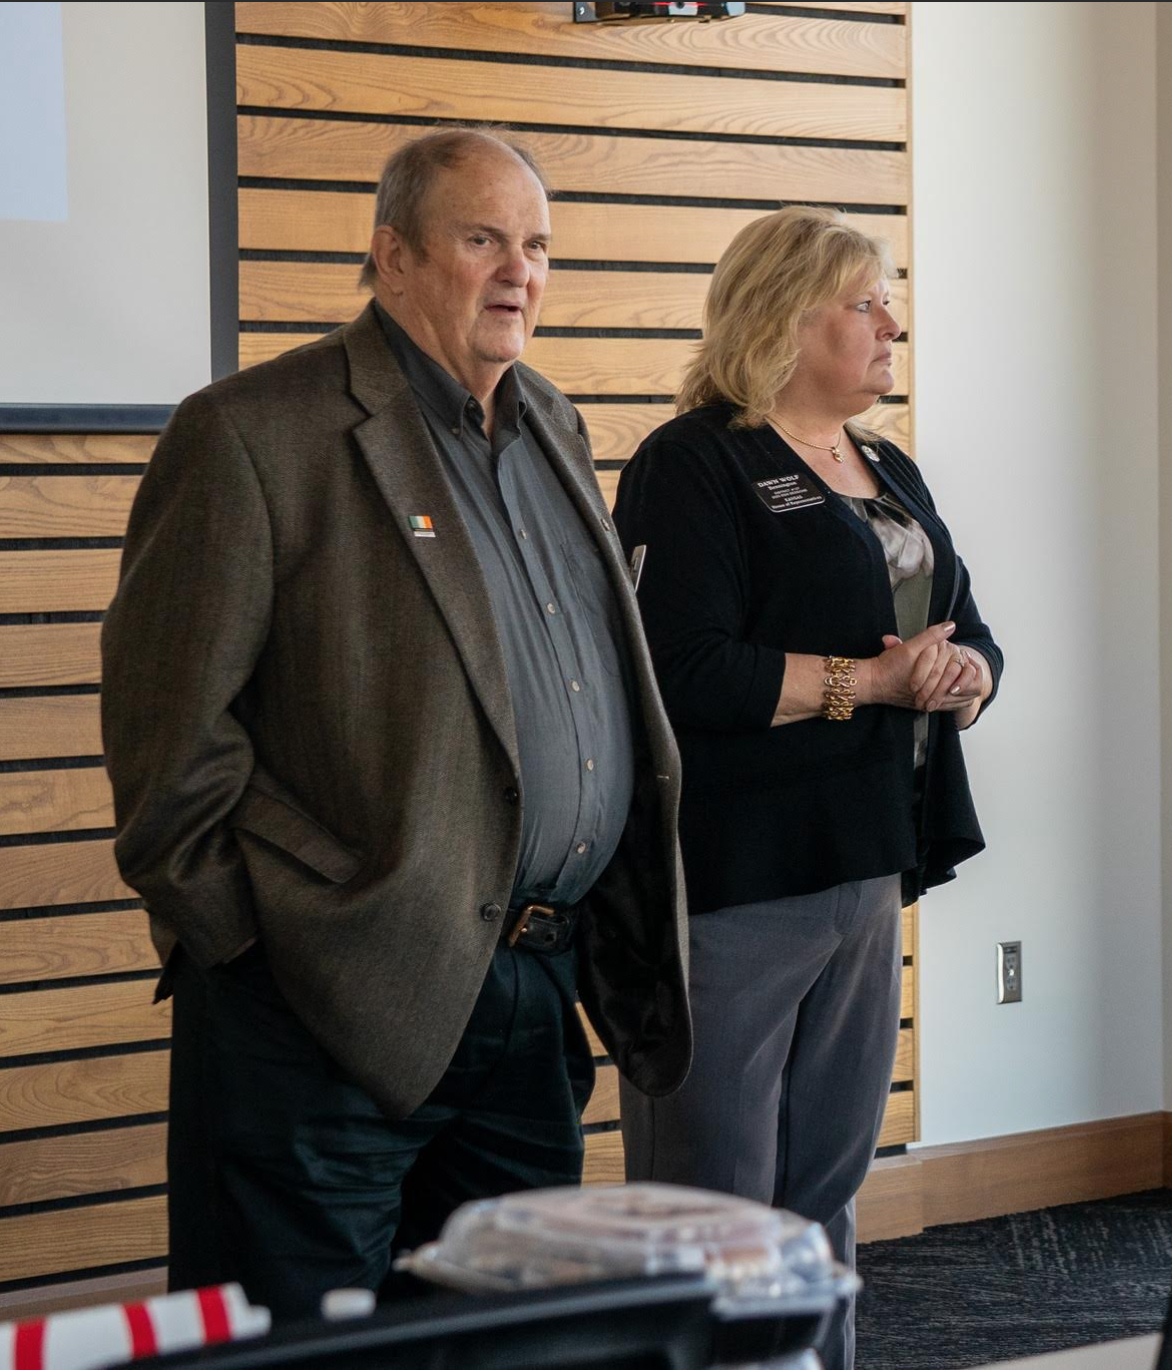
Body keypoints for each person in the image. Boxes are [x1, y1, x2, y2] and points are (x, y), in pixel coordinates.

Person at [99, 127, 690, 1317]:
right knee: (303, 1346)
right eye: (483, 240)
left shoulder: (553, 425)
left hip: (531, 990)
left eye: (536, 245)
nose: (519, 271)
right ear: (394, 257)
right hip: (323, 1006)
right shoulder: (254, 435)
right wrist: (266, 951)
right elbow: (168, 740)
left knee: (507, 1343)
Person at [612, 205, 1001, 1370]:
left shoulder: (887, 466)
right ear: (786, 318)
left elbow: (965, 625)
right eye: (865, 302)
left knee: (827, 1180)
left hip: (868, 855)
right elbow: (682, 671)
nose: (893, 324)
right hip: (736, 873)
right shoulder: (694, 464)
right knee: (715, 1199)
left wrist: (967, 671)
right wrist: (872, 679)